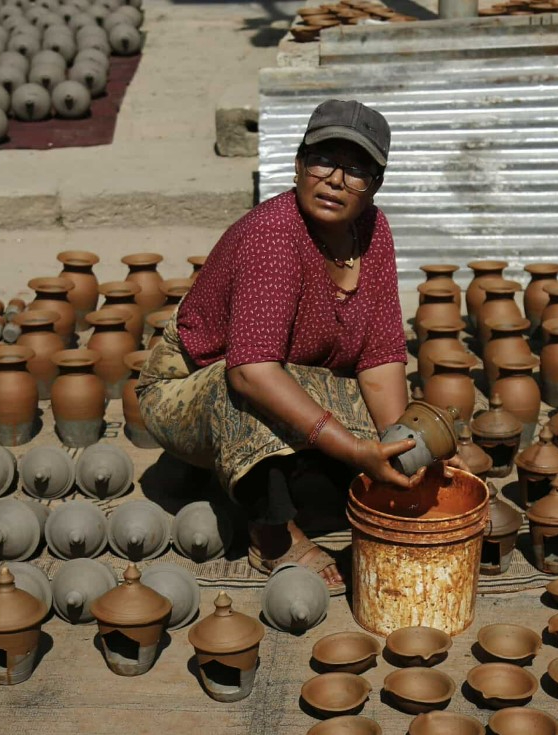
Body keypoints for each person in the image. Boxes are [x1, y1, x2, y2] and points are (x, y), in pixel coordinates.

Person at [136, 99, 423, 595]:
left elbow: (380, 360)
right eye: (322, 160)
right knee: (252, 385)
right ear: (297, 165)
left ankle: (249, 481)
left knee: (400, 443)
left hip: (291, 374)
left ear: (375, 185)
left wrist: (401, 450)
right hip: (192, 385)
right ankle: (272, 533)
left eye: (356, 170)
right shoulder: (275, 233)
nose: (335, 179)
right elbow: (251, 372)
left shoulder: (373, 232)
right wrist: (354, 449)